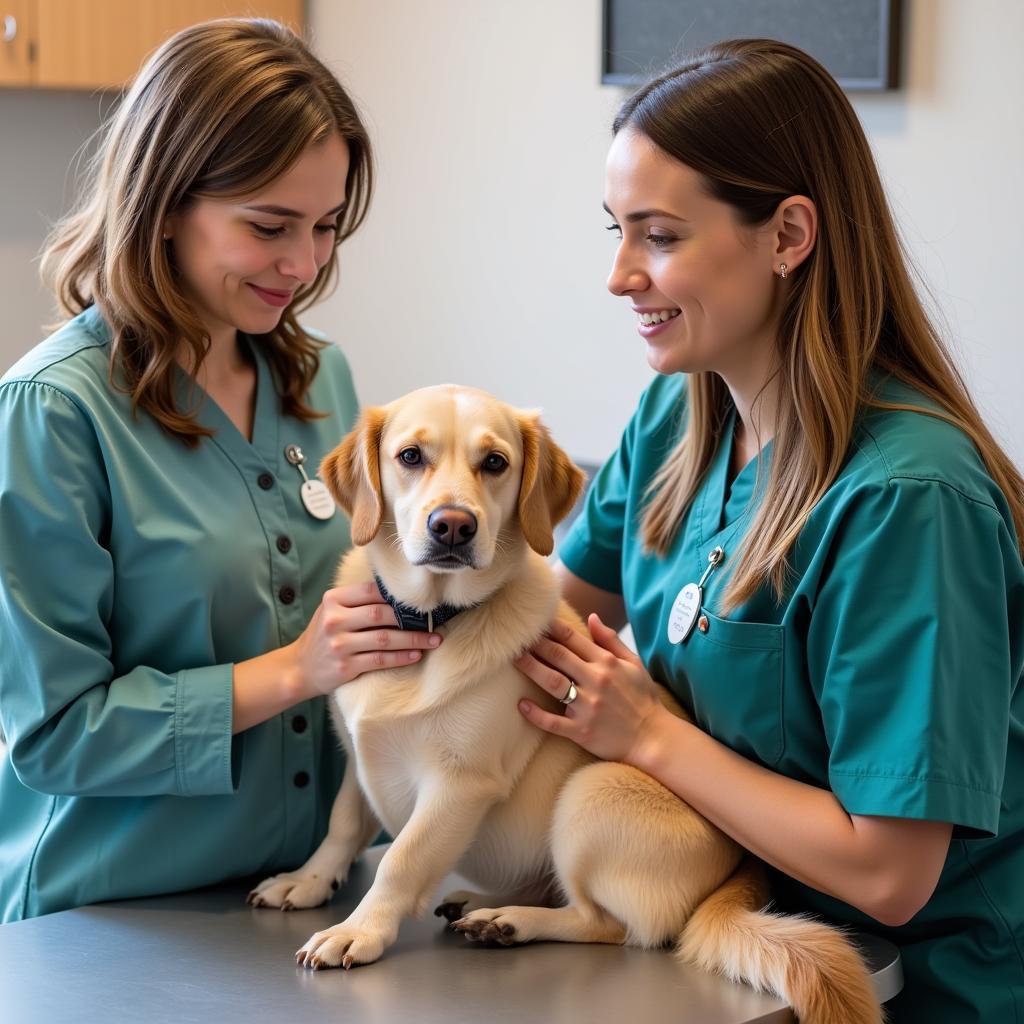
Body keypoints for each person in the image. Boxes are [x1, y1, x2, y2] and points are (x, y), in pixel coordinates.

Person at [514, 38, 1024, 1023]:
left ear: (789, 235)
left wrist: (650, 736)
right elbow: (537, 633)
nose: (621, 275)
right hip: (719, 967)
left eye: (658, 236)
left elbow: (888, 873)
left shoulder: (909, 500)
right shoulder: (679, 421)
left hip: (911, 992)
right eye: (615, 231)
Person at [0, 18, 442, 924]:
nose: (305, 263)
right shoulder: (53, 413)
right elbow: (52, 740)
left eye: (325, 227)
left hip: (311, 896)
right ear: (164, 205)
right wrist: (292, 671)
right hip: (112, 918)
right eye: (269, 226)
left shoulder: (323, 378)